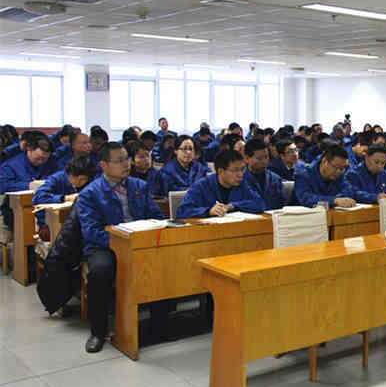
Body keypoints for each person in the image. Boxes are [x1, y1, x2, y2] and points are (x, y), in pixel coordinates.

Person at [77, 142, 168, 353]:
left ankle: (159, 324)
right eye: (119, 161)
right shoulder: (90, 193)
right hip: (104, 245)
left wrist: (148, 232)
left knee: (163, 261)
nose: (126, 164)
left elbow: (156, 216)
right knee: (100, 271)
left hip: (139, 242)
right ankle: (98, 331)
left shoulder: (139, 186)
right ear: (103, 165)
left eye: (127, 158)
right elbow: (91, 231)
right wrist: (122, 243)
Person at [176, 150, 265, 218]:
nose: (240, 175)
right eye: (235, 171)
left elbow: (260, 204)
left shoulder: (242, 184)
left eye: (242, 169)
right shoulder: (201, 186)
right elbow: (183, 211)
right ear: (220, 171)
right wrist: (208, 211)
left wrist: (232, 206)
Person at [32, 156, 97, 242]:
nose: (79, 182)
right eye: (77, 179)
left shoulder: (92, 181)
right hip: (50, 224)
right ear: (69, 173)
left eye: (83, 179)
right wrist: (64, 198)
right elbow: (38, 198)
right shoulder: (57, 179)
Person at [293, 144, 356, 208]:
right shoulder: (303, 175)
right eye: (335, 167)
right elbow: (307, 198)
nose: (338, 172)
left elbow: (348, 192)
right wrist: (334, 200)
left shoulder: (340, 175)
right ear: (324, 161)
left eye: (342, 168)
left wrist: (339, 199)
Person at [242, 139, 285, 211]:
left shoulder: (275, 179)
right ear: (247, 158)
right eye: (259, 158)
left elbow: (282, 203)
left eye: (266, 157)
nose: (264, 161)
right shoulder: (239, 179)